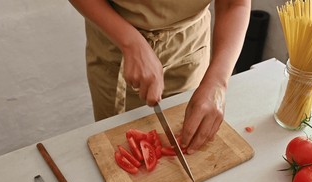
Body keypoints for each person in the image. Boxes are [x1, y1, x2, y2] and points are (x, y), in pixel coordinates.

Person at [69, 0, 251, 154]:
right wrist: (130, 42)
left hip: (189, 50)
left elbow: (233, 4)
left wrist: (218, 81)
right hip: (116, 48)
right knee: (112, 148)